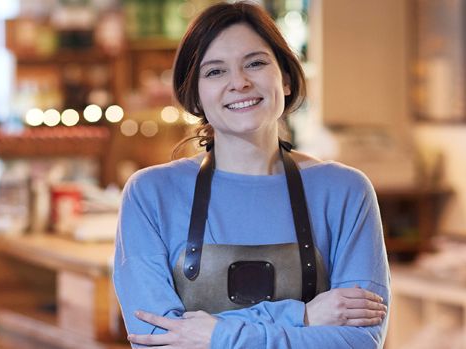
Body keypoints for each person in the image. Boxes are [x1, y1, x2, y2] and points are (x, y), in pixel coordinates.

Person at [112, 2, 391, 348]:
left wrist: (216, 336)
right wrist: (302, 317)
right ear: (195, 96)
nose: (239, 83)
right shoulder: (150, 194)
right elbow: (157, 340)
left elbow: (358, 342)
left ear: (285, 79)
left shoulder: (345, 191)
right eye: (215, 72)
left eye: (255, 63)